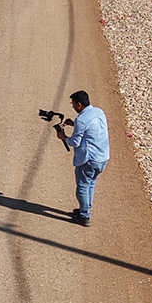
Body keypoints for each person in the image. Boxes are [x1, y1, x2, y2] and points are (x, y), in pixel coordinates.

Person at [53, 91, 110, 226]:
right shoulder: (99, 112)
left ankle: (84, 216)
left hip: (88, 160)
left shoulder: (82, 120)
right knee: (91, 184)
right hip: (102, 158)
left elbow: (74, 142)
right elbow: (92, 129)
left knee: (83, 187)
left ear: (79, 104)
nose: (72, 106)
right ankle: (85, 209)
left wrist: (64, 137)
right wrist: (74, 125)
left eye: (73, 104)